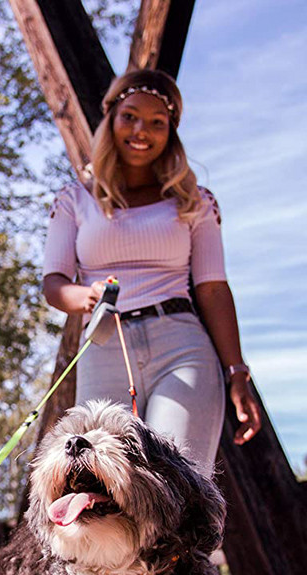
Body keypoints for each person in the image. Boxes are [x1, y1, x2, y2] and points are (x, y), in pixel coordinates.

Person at [43, 68, 260, 476]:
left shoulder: (195, 202)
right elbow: (53, 283)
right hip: (104, 345)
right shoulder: (74, 199)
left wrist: (237, 372)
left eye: (157, 122)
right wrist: (82, 295)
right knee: (101, 484)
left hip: (180, 346)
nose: (142, 130)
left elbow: (213, 289)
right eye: (130, 116)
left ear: (170, 132)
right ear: (111, 120)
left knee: (177, 482)